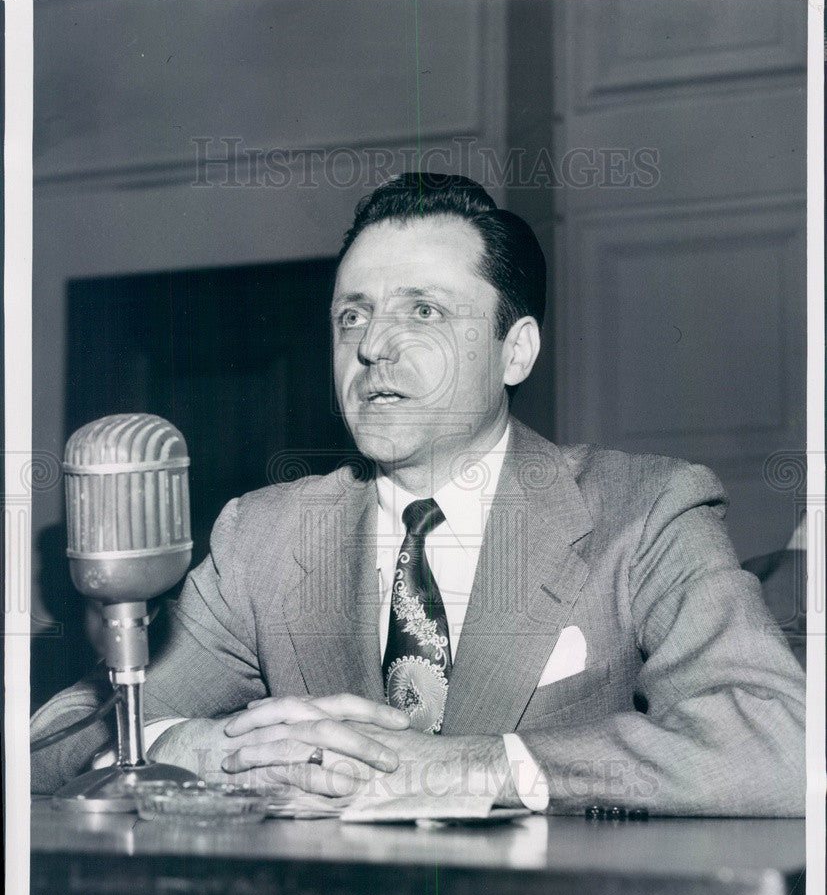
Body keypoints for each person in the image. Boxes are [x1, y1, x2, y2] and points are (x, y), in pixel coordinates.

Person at [31, 174, 806, 815]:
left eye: (422, 311)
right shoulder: (262, 537)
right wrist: (189, 748)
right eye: (352, 315)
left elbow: (776, 744)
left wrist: (477, 767)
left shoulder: (644, 510)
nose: (370, 346)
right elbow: (52, 740)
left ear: (515, 350)